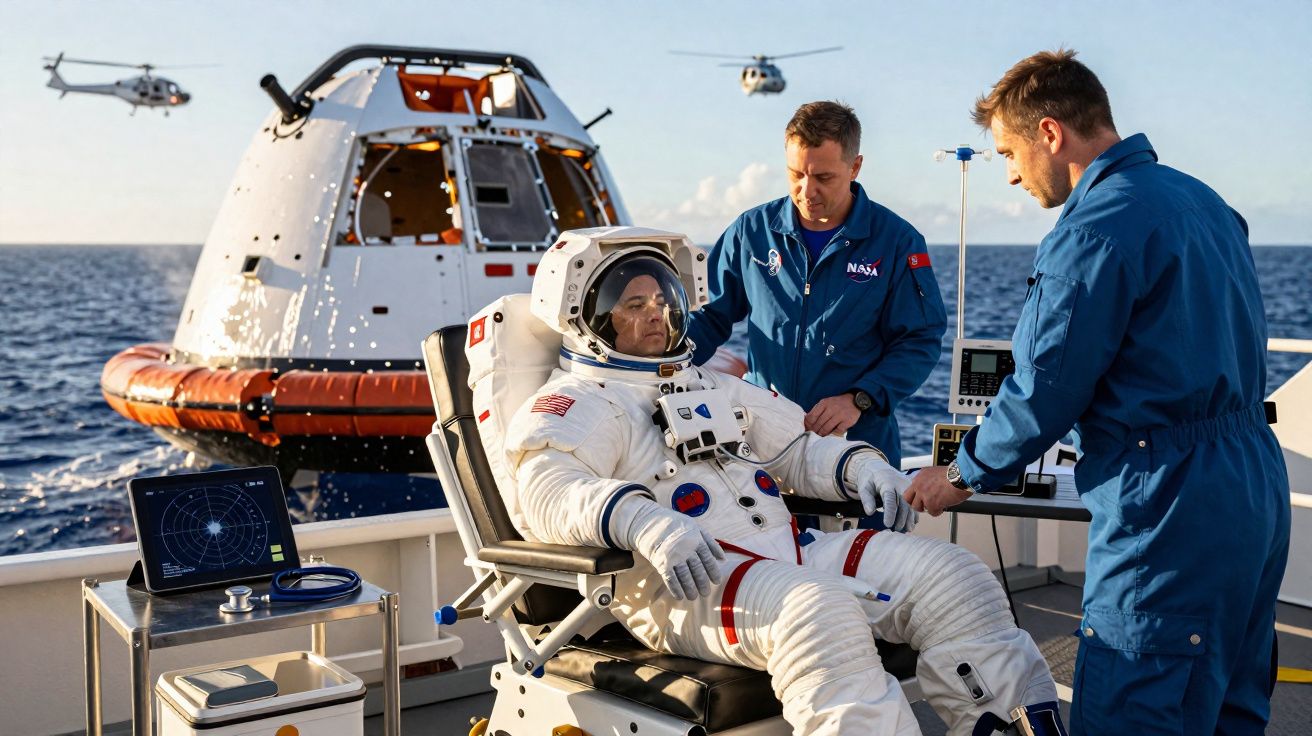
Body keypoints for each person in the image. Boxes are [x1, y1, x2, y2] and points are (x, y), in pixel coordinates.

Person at [494, 228, 1063, 735]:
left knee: (954, 576)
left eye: (664, 300)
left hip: (788, 554)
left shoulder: (709, 383)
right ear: (589, 317)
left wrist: (864, 466)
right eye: (633, 304)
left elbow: (799, 447)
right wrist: (644, 521)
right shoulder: (575, 402)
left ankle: (1011, 726)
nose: (656, 314)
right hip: (686, 584)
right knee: (820, 613)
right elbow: (543, 489)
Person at [903, 50, 1291, 735]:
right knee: (1229, 703)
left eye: (1009, 153)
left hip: (1167, 508)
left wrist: (960, 474)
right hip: (1253, 489)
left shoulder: (1092, 232)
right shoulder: (1205, 202)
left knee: (1134, 703)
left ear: (1050, 133)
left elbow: (1042, 393)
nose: (1013, 174)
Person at [686, 102, 947, 469]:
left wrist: (859, 399)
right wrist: (662, 369)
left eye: (823, 178)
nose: (807, 191)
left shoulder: (897, 241)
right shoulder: (751, 232)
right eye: (796, 174)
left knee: (863, 531)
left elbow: (918, 340)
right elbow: (708, 315)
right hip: (764, 443)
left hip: (857, 446)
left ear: (855, 167)